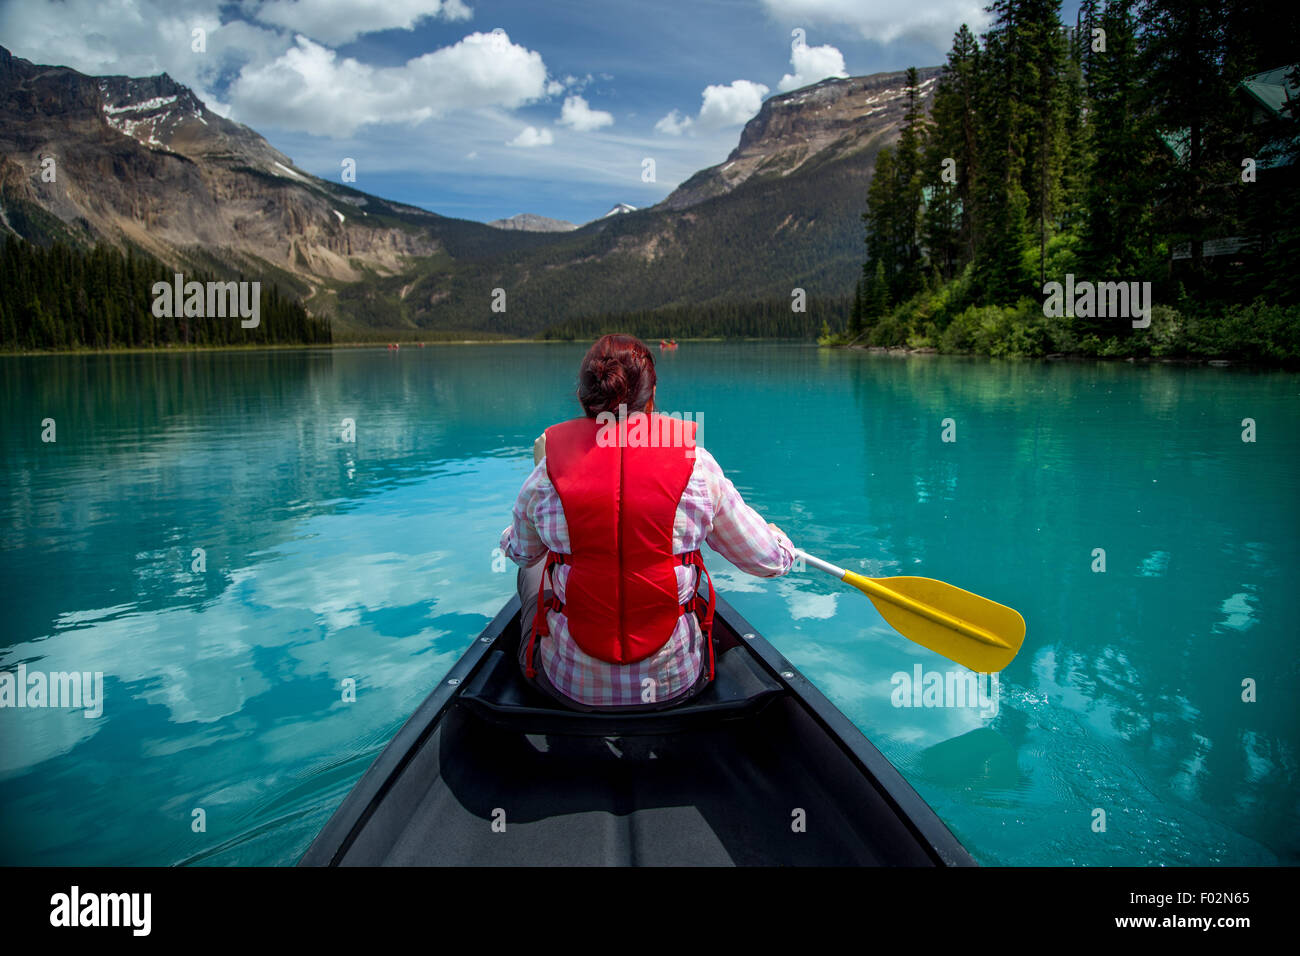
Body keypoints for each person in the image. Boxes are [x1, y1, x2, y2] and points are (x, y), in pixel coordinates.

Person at [499, 333, 795, 711]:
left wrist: (523, 520)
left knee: (533, 569)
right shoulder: (697, 467)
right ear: (652, 400)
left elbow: (521, 552)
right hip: (677, 684)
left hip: (569, 687)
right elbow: (768, 563)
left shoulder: (546, 472)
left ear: (583, 400)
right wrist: (779, 542)